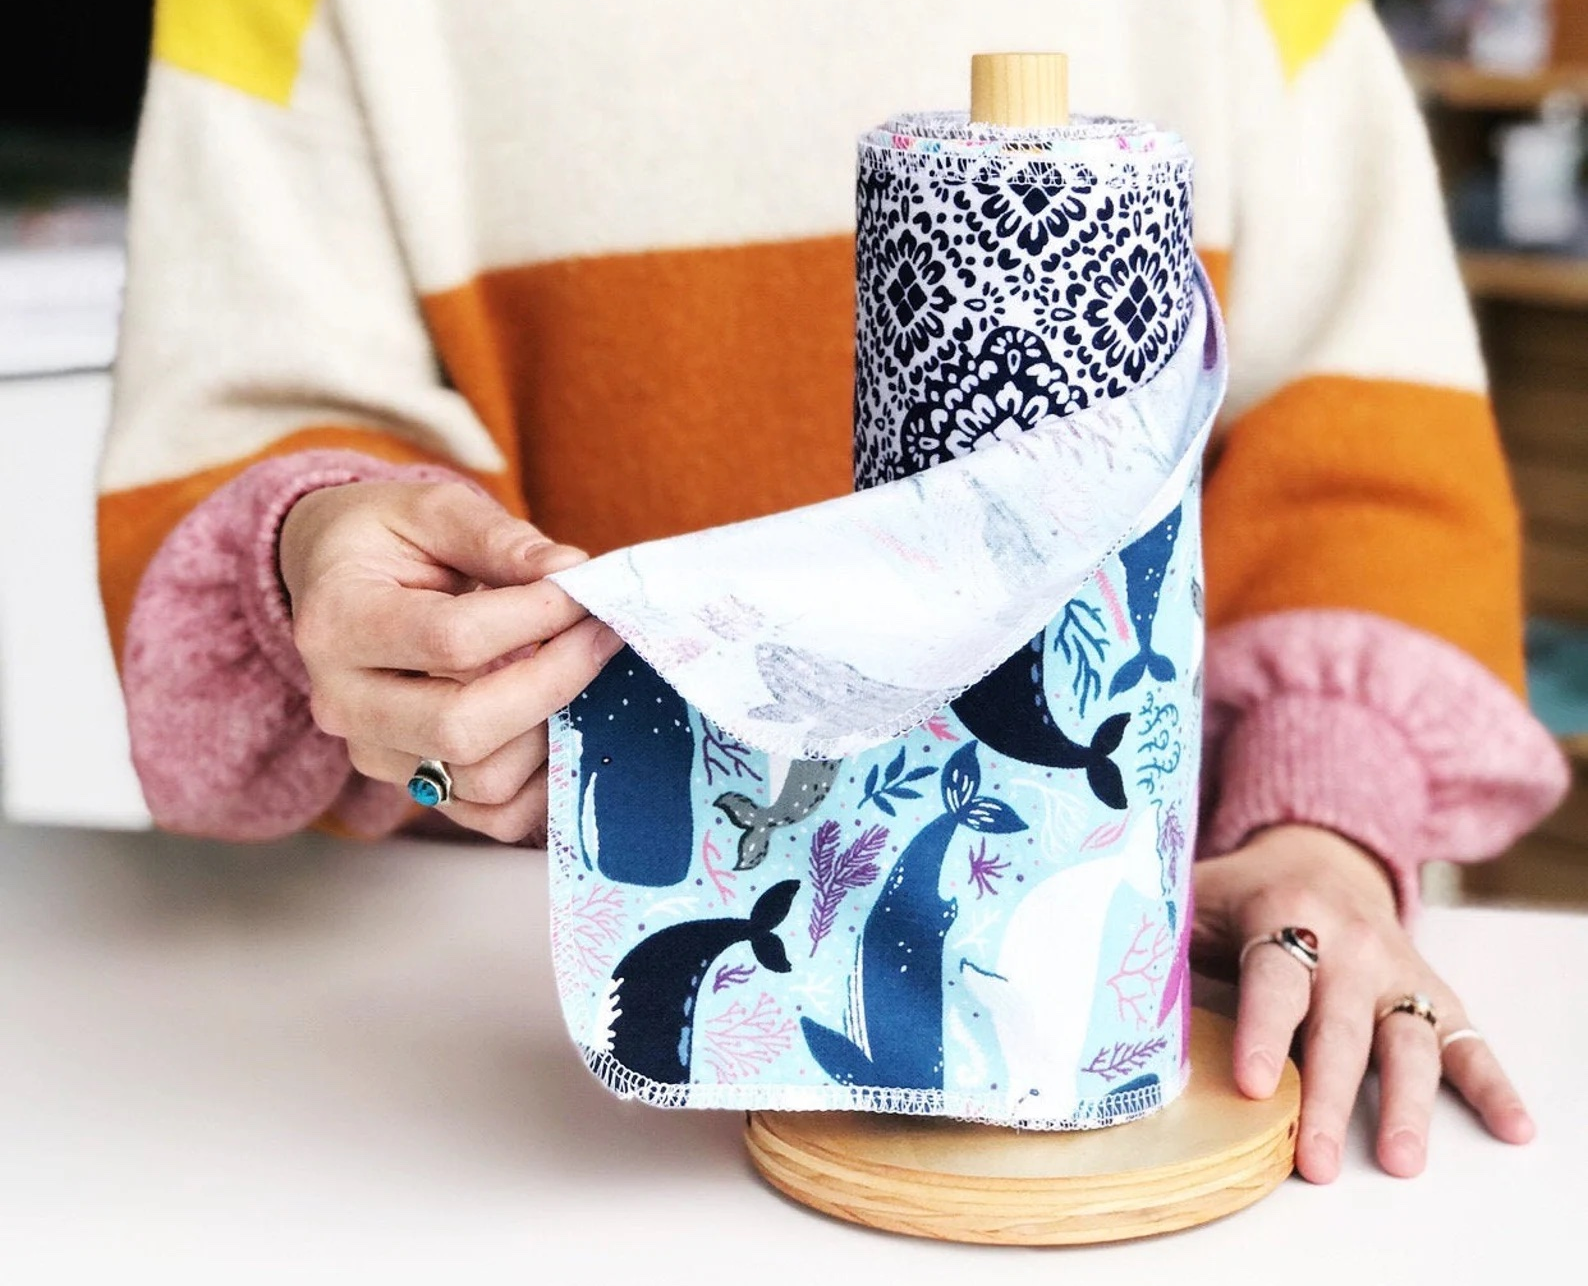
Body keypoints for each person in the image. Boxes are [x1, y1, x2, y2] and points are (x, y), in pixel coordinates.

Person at [100, 0, 1568, 1184]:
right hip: (492, 1095)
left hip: (1134, 989)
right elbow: (243, 424)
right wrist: (343, 578)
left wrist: (1321, 820)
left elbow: (1371, 458)